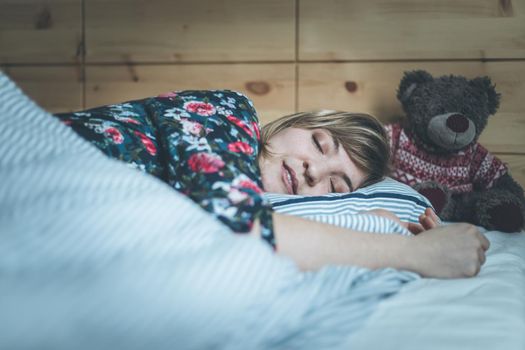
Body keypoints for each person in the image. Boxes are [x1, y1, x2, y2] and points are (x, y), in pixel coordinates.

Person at [54, 90, 489, 279]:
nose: (313, 172)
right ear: (293, 124)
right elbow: (236, 226)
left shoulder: (255, 193)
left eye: (336, 188)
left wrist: (386, 222)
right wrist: (414, 253)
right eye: (319, 143)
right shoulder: (229, 110)